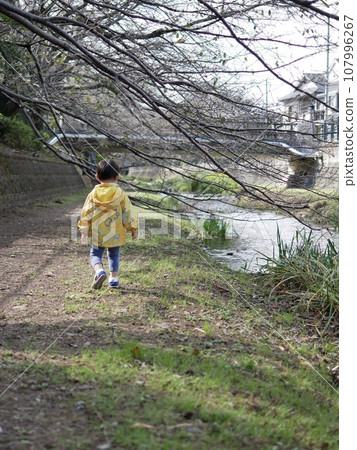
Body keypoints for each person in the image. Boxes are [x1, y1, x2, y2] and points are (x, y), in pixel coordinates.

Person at [78, 159, 138, 289]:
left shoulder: (93, 194)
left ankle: (99, 271)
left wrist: (84, 230)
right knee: (114, 254)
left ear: (97, 176)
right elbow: (128, 212)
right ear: (117, 177)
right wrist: (133, 228)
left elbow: (86, 212)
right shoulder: (121, 194)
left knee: (95, 254)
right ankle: (113, 279)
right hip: (115, 233)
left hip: (97, 231)